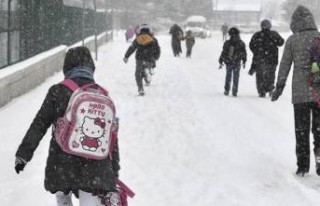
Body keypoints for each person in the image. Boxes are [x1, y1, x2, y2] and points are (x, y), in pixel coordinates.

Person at [14, 46, 120, 205]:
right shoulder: (102, 94)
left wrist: (23, 154)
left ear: (67, 67)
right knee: (90, 197)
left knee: (62, 195)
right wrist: (113, 169)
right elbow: (111, 137)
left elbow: (40, 124)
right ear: (91, 67)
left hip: (62, 162)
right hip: (95, 166)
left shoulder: (58, 91)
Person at [271, 6, 320, 177]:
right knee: (319, 130)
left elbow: (284, 65)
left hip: (300, 93)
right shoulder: (319, 37)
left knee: (302, 130)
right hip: (318, 91)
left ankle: (303, 166)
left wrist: (279, 86)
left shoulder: (292, 40)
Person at [249, 19, 284, 97]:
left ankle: (261, 91)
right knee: (271, 74)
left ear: (261, 26)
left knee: (260, 75)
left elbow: (251, 45)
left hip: (260, 59)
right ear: (270, 26)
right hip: (272, 59)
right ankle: (270, 86)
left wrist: (257, 51)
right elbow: (281, 42)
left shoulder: (257, 35)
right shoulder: (274, 34)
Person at [123, 24, 161, 96]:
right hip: (149, 59)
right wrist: (156, 57)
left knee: (138, 74)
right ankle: (148, 73)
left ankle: (141, 89)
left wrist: (126, 56)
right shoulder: (153, 39)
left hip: (140, 59)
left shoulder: (138, 39)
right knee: (146, 68)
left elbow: (132, 48)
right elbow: (158, 50)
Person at [219, 27, 247, 97]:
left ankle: (226, 90)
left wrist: (221, 60)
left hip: (229, 62)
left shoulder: (227, 43)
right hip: (237, 62)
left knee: (228, 76)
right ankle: (234, 91)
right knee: (236, 77)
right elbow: (244, 53)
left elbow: (224, 52)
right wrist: (244, 61)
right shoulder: (241, 43)